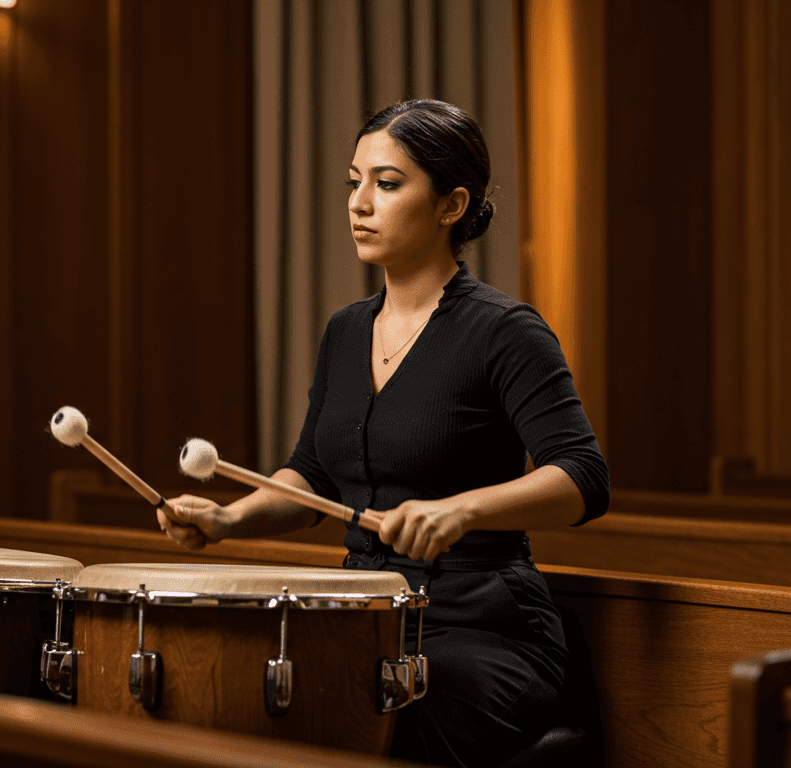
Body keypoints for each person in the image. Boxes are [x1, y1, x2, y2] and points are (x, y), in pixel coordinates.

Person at [158, 99, 609, 767]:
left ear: (451, 205)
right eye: (354, 181)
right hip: (363, 621)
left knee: (365, 719)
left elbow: (582, 475)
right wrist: (232, 517)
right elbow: (310, 472)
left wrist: (461, 510)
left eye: (387, 184)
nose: (359, 203)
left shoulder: (504, 331)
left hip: (482, 629)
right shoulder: (345, 332)